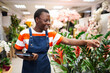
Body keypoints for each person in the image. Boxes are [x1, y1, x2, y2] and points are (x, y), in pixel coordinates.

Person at [14, 8, 100, 73]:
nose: (48, 23)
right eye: (46, 20)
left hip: (44, 67)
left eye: (49, 20)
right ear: (37, 20)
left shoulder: (51, 34)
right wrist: (27, 56)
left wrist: (86, 42)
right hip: (29, 68)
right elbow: (17, 51)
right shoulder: (24, 33)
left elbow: (68, 41)